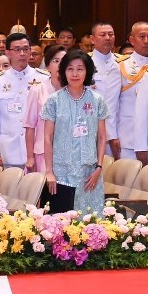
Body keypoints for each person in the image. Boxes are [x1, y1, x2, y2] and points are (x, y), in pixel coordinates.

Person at [42, 49, 108, 215]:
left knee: (90, 220)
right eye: (70, 69)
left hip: (89, 173)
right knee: (62, 222)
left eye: (80, 69)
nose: (75, 74)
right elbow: (47, 137)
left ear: (88, 71)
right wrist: (49, 172)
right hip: (61, 172)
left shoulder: (97, 100)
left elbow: (102, 137)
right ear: (63, 72)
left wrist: (99, 167)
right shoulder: (54, 100)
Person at [0, 33, 48, 168]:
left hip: (38, 151)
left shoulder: (43, 79)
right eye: (17, 49)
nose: (22, 53)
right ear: (8, 53)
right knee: (6, 183)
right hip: (8, 151)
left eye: (26, 49)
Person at [117, 22, 148, 160]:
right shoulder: (120, 66)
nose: (146, 41)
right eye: (142, 36)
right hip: (128, 138)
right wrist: (112, 136)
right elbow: (111, 105)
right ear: (132, 40)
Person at [24, 45, 66, 173]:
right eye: (56, 61)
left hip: (68, 153)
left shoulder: (75, 90)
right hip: (42, 152)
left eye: (64, 61)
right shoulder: (37, 90)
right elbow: (30, 126)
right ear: (47, 66)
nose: (60, 65)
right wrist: (30, 157)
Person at [88, 22, 121, 159]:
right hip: (91, 130)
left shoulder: (123, 63)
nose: (107, 38)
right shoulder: (84, 63)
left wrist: (112, 134)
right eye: (103, 35)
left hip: (119, 130)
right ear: (92, 39)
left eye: (111, 34)